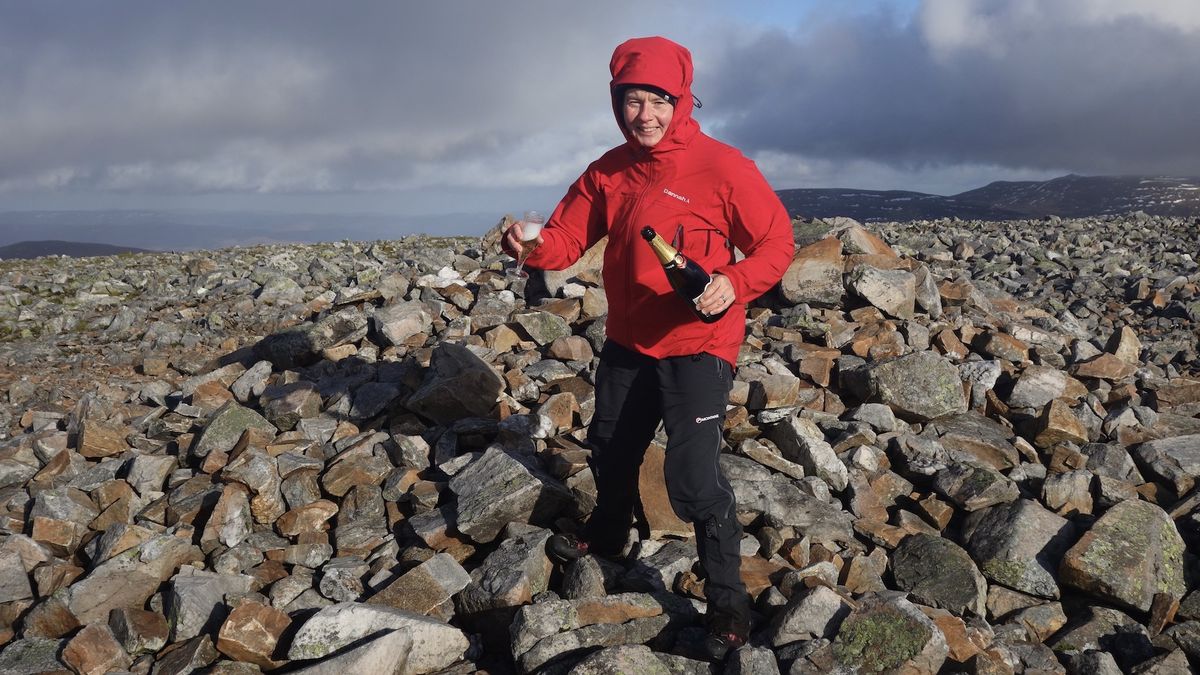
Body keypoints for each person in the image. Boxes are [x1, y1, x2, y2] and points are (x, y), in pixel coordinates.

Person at [502, 35, 795, 660]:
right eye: (632, 100)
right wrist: (530, 243)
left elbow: (776, 245)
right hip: (630, 342)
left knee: (691, 483)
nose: (646, 115)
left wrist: (733, 284)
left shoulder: (723, 166)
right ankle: (608, 537)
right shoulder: (609, 170)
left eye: (659, 100)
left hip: (699, 343)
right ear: (616, 103)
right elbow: (564, 239)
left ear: (683, 100)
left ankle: (728, 606)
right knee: (609, 445)